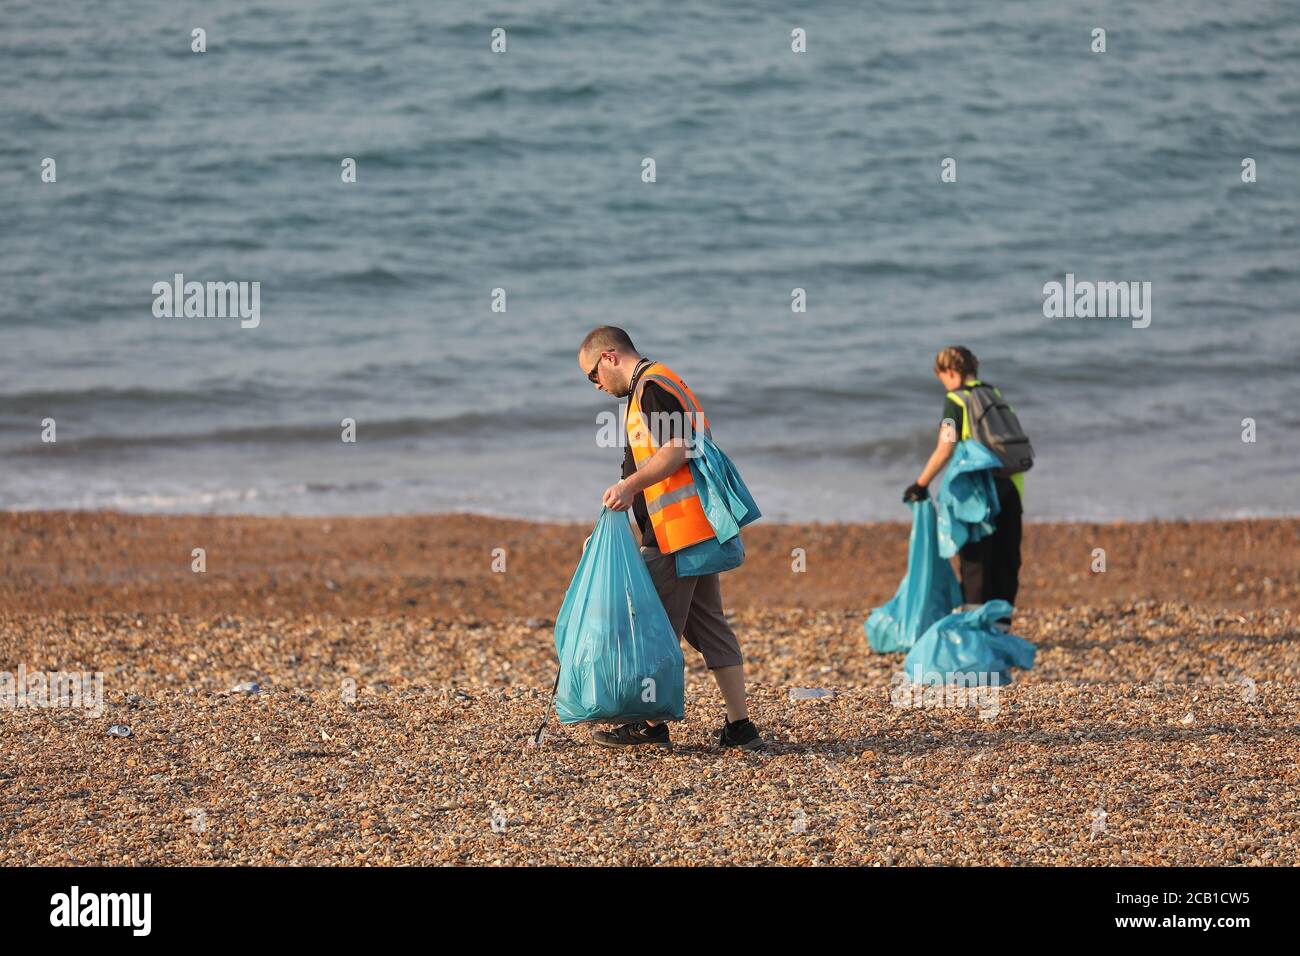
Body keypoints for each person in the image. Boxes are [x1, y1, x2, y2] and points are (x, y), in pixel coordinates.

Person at [576, 325, 762, 750]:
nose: (596, 386)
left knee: (651, 628)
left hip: (676, 535)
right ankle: (741, 727)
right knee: (708, 626)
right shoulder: (658, 384)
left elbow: (676, 449)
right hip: (695, 530)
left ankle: (650, 726)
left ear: (609, 357)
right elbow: (636, 466)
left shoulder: (652, 388)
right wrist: (608, 528)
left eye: (592, 375)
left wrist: (627, 489)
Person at [905, 346, 1023, 626]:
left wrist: (920, 484)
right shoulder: (994, 394)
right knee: (1006, 558)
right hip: (1011, 486)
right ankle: (1001, 624)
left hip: (978, 494)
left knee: (976, 561)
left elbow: (945, 447)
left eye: (941, 378)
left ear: (949, 372)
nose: (943, 384)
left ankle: (974, 627)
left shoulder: (954, 402)